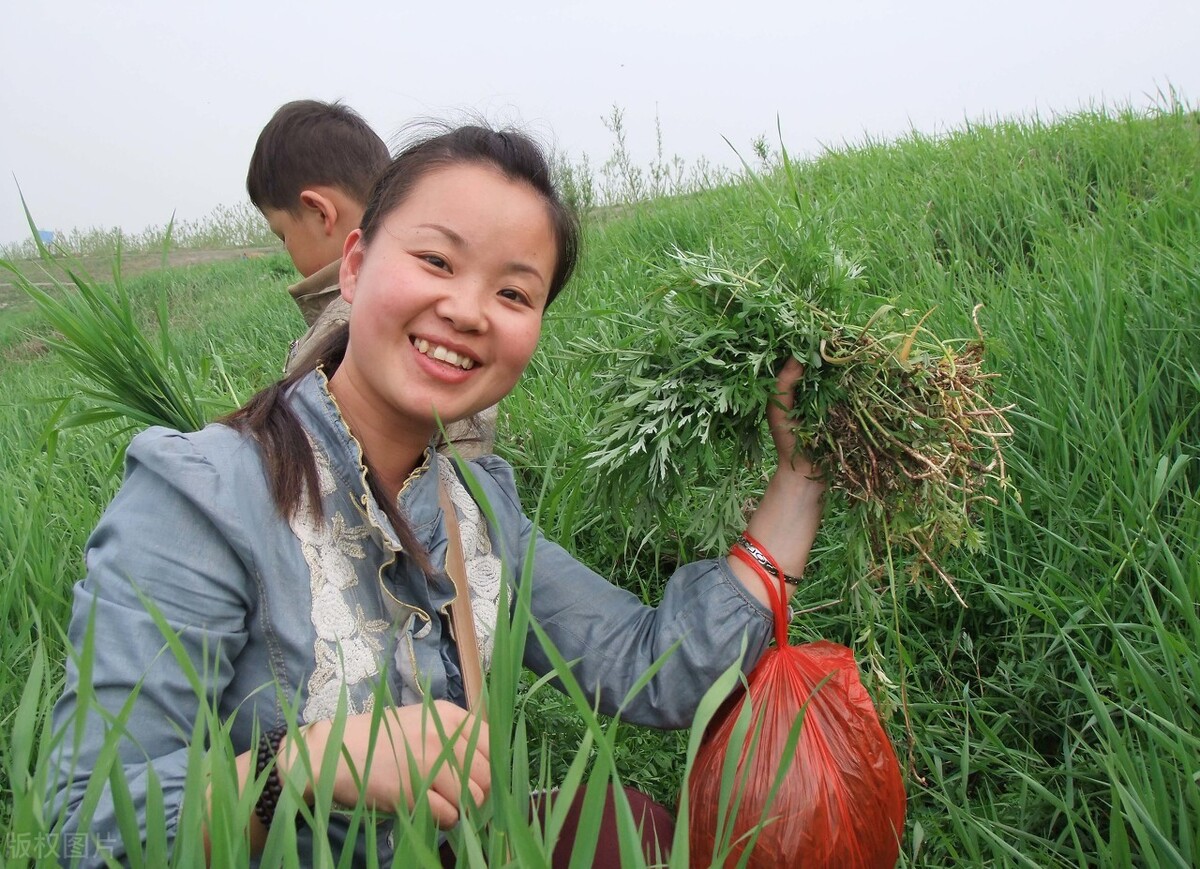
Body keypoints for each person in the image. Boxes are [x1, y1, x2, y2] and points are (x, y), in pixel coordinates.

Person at [47, 124, 826, 866]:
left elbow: (647, 666)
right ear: (353, 264)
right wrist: (302, 766)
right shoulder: (204, 496)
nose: (466, 310)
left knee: (626, 825)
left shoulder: (477, 507)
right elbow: (89, 827)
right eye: (437, 261)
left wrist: (799, 476)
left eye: (515, 294)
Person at [247, 99, 496, 453]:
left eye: (283, 234)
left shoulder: (351, 323)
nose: (287, 249)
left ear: (321, 213)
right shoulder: (445, 296)